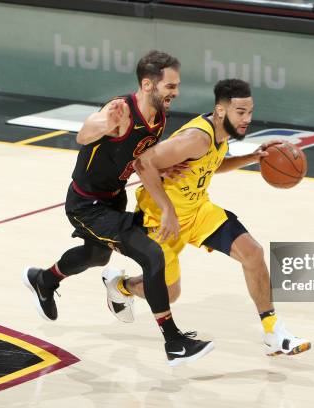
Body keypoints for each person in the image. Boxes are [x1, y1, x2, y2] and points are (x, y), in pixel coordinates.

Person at [22, 50, 213, 366]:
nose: (176, 92)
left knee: (96, 256)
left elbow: (137, 159)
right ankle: (174, 341)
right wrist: (101, 122)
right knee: (152, 253)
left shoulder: (158, 117)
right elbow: (84, 136)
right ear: (148, 84)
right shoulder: (121, 111)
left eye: (177, 86)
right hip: (87, 205)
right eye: (170, 86)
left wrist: (162, 171)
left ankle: (44, 280)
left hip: (113, 198)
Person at [105, 78, 311, 356]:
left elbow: (213, 164)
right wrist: (166, 209)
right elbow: (143, 163)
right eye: (241, 112)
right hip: (160, 220)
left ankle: (274, 331)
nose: (247, 119)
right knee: (171, 294)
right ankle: (121, 285)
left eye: (250, 112)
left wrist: (252, 156)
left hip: (197, 211)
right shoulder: (197, 137)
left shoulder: (220, 135)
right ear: (221, 110)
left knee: (253, 253)